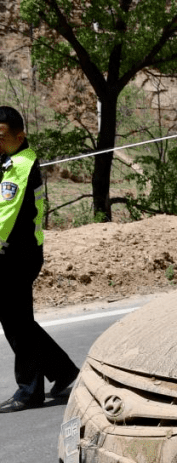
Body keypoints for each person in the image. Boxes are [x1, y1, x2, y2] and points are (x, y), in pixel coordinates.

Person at [0, 106, 79, 412]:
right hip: (15, 253)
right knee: (19, 321)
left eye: (2, 136)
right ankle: (63, 371)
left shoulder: (19, 166)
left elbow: (3, 218)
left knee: (17, 324)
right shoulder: (9, 159)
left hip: (17, 256)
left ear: (20, 137)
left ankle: (29, 391)